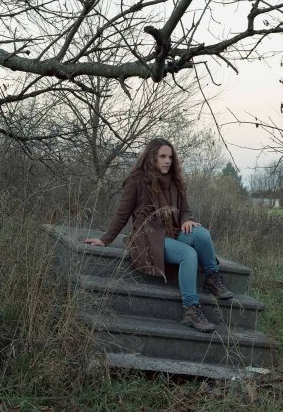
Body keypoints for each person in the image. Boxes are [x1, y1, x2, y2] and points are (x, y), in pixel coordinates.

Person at [84, 138, 233, 332]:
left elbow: (185, 210)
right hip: (149, 238)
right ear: (152, 157)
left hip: (174, 231)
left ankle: (212, 277)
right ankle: (191, 309)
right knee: (189, 254)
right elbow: (122, 214)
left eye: (170, 157)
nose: (167, 161)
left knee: (202, 234)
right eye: (162, 156)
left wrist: (186, 219)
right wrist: (105, 239)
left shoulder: (176, 181)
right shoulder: (136, 180)